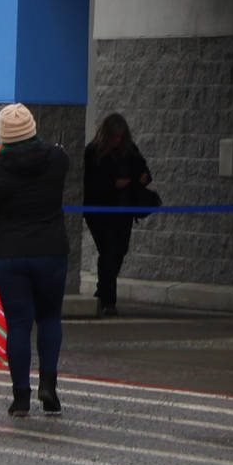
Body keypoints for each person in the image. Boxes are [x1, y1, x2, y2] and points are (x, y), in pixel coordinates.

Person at [0, 104, 71, 417]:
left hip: (9, 254)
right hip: (51, 251)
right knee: (50, 318)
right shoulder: (56, 159)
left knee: (19, 324)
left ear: (2, 135)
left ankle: (20, 397)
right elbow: (61, 159)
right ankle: (49, 386)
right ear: (32, 128)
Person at [82, 112, 152, 318]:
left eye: (121, 137)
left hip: (123, 209)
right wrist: (112, 184)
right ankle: (108, 299)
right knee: (108, 251)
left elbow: (145, 172)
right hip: (100, 210)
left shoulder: (130, 152)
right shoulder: (93, 152)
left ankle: (103, 291)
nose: (118, 141)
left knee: (119, 251)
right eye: (115, 137)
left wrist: (143, 178)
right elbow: (89, 182)